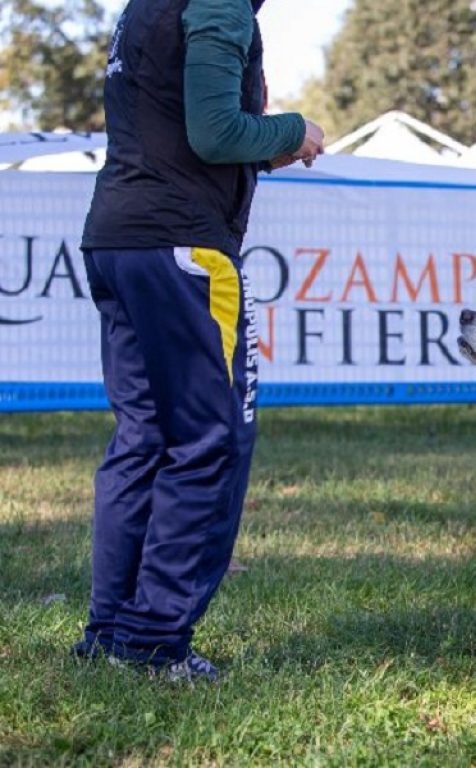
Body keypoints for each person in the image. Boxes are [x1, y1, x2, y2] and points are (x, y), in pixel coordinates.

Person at [75, 0, 324, 682]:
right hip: (184, 247)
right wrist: (295, 128)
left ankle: (109, 633)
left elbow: (174, 129)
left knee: (143, 438)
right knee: (211, 438)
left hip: (117, 237)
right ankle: (155, 643)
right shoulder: (218, 4)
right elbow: (214, 133)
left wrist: (267, 145)